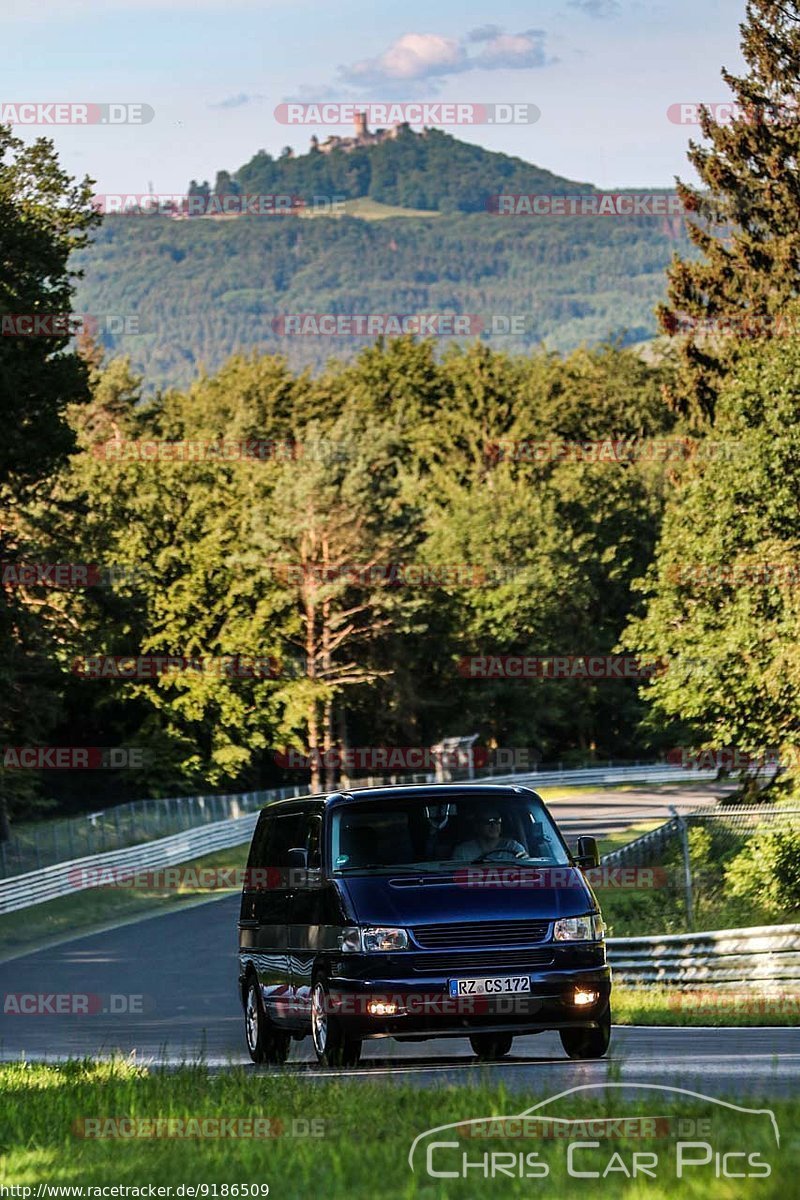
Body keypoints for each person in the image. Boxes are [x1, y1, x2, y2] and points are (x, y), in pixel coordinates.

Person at [453, 810, 527, 861]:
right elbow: (455, 878)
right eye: (487, 822)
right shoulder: (463, 851)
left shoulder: (514, 848)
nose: (493, 825)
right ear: (477, 826)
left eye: (497, 821)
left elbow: (526, 872)